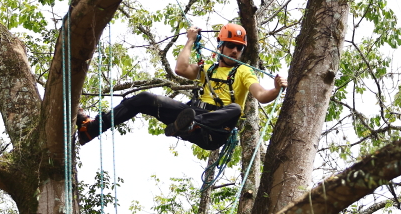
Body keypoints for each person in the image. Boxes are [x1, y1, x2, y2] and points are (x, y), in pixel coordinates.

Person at [77, 24, 286, 150]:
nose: (234, 51)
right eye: (230, 46)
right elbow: (181, 68)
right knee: (143, 98)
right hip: (191, 114)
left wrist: (275, 89)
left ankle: (191, 123)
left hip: (216, 129)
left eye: (239, 48)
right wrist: (190, 41)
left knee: (236, 109)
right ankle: (91, 129)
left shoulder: (243, 72)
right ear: (220, 45)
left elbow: (261, 94)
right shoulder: (209, 69)